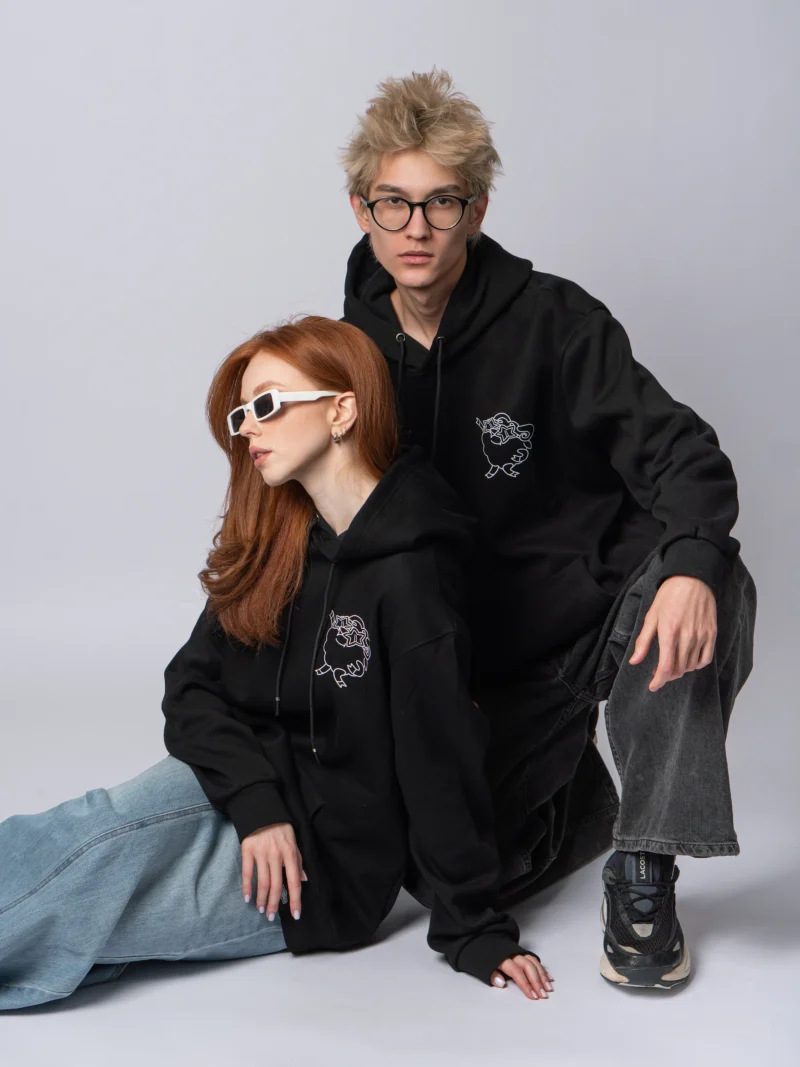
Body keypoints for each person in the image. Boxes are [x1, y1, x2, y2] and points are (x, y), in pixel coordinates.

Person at [339, 69, 757, 990]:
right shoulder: (346, 354)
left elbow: (685, 454)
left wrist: (691, 564)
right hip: (479, 664)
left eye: (442, 202)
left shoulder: (558, 320)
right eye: (394, 203)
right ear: (361, 209)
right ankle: (579, 796)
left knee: (711, 572)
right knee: (449, 873)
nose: (416, 228)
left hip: (599, 611)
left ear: (477, 210)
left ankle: (645, 861)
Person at [0, 316, 554, 1010]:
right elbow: (191, 685)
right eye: (242, 414)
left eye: (266, 404)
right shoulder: (281, 535)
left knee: (87, 914)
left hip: (323, 865)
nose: (248, 430)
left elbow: (437, 755)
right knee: (91, 834)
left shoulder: (412, 575)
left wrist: (475, 928)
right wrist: (258, 806)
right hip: (238, 778)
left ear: (342, 410)